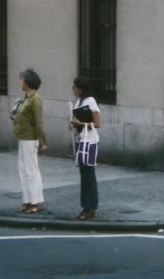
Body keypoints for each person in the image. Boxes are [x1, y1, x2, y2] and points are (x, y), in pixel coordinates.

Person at [13, 68, 47, 214]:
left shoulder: (35, 98)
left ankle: (37, 201)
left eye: (22, 80)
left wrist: (43, 141)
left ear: (27, 82)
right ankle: (27, 200)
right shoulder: (26, 98)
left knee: (32, 170)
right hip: (22, 137)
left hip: (30, 138)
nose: (21, 82)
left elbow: (39, 121)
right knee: (24, 170)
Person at [70, 76, 101, 221]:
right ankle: (85, 206)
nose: (73, 89)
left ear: (80, 88)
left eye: (75, 87)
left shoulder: (90, 101)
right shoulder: (78, 102)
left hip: (89, 140)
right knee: (84, 174)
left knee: (89, 174)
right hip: (80, 139)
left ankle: (91, 207)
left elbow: (97, 122)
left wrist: (80, 123)